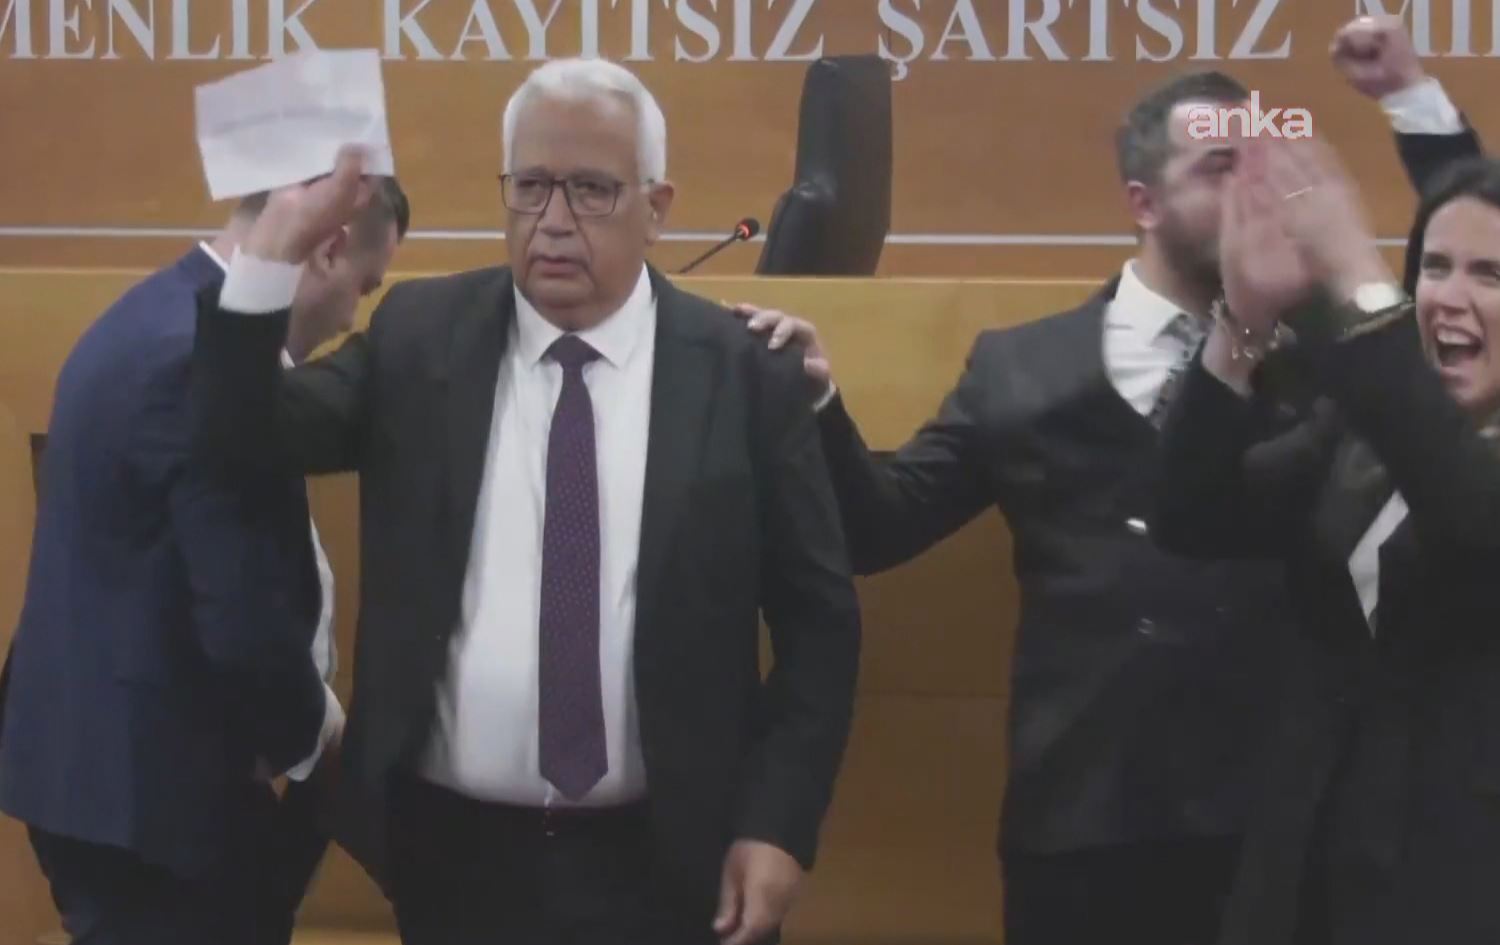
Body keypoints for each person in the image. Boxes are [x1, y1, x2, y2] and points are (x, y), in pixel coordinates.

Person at [734, 20, 1478, 945]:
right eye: (1222, 169)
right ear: (1143, 201)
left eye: (1264, 167)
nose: (1256, 194)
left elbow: (1465, 261)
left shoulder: (1336, 357)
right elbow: (880, 527)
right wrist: (819, 401)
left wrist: (1413, 101)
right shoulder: (1021, 367)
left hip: (1277, 825)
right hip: (1085, 817)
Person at [188, 58, 861, 945]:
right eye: (531, 187)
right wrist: (268, 259)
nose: (554, 221)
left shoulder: (744, 374)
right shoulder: (420, 338)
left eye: (591, 190)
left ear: (657, 207)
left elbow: (821, 626)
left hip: (675, 861)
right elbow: (243, 434)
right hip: (453, 861)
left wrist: (778, 821)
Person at [0, 177, 407, 945]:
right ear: (328, 248)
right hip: (158, 811)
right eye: (365, 285)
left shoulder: (147, 312)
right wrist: (326, 750)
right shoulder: (201, 364)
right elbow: (241, 615)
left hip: (94, 782)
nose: (353, 316)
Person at [1152, 130, 1500, 944]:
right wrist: (1242, 325)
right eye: (1434, 267)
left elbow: (1471, 519)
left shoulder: (1409, 429)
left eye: (1490, 274)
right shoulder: (1357, 427)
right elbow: (1193, 514)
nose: (1448, 297)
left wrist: (1357, 282)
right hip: (1307, 870)